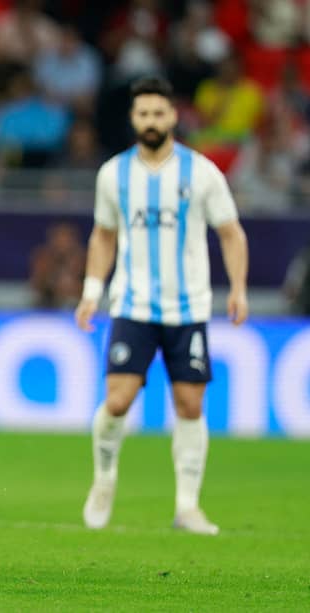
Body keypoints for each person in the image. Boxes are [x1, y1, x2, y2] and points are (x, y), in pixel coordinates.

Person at [74, 76, 249, 536]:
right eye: (143, 114)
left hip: (188, 307)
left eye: (159, 113)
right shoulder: (114, 174)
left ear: (173, 116)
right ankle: (105, 478)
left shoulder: (201, 172)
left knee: (190, 404)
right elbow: (104, 235)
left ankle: (187, 506)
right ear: (134, 119)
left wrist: (239, 287)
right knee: (118, 399)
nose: (151, 121)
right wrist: (92, 292)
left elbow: (230, 232)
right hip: (133, 305)